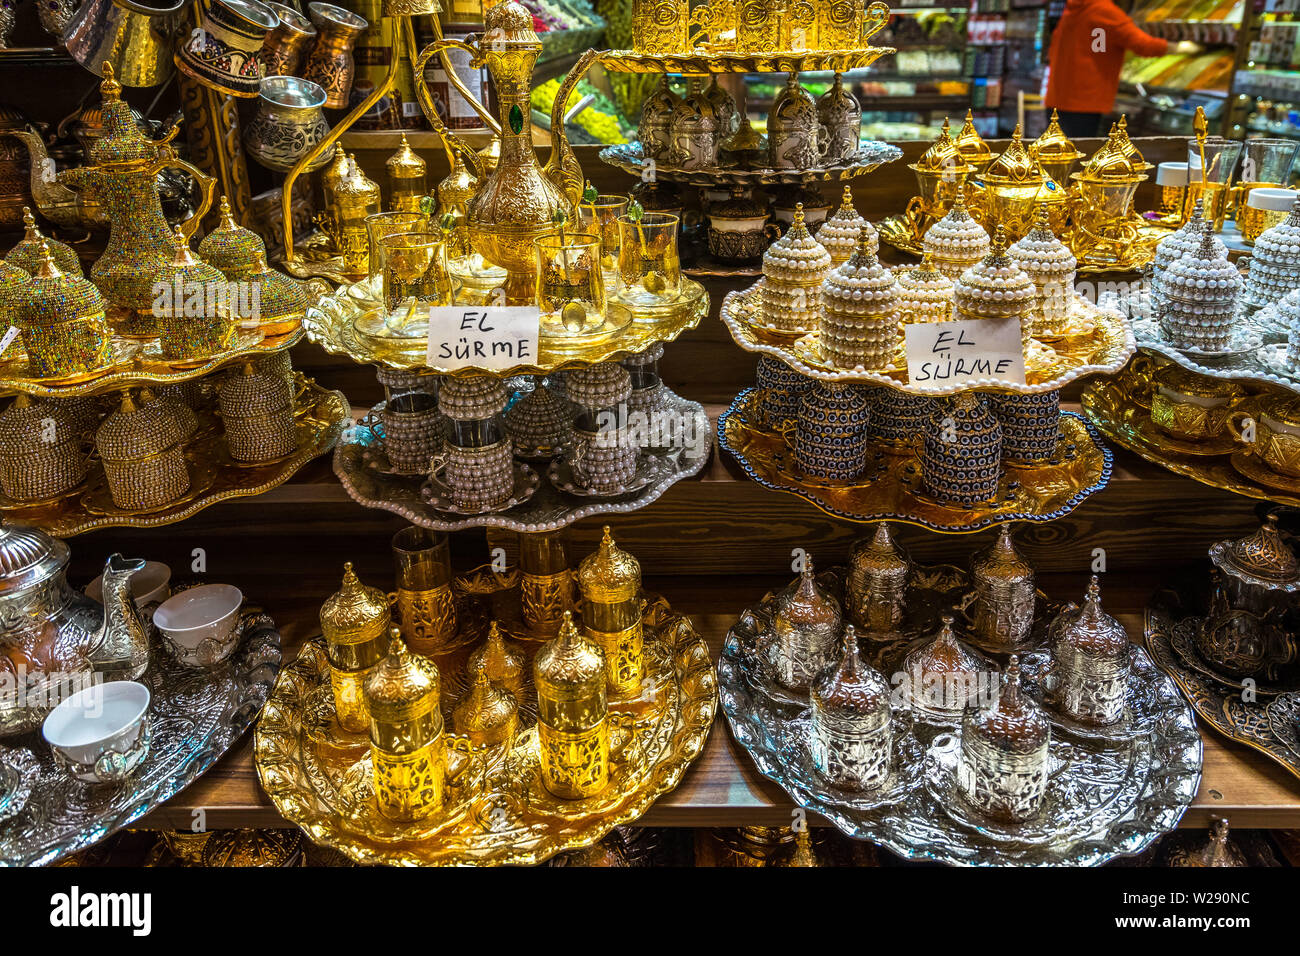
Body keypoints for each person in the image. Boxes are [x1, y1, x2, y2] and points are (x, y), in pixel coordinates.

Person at [1045, 0, 1203, 138]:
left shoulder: (1074, 8)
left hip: (1059, 98)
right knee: (1077, 160)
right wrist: (1181, 47)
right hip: (1083, 103)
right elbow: (1143, 45)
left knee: (1059, 159)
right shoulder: (1103, 10)